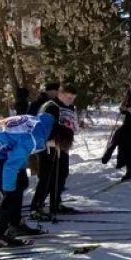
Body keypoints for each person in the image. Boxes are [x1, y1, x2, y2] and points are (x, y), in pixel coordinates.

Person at [0, 108, 75, 248]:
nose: (55, 148)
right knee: (11, 192)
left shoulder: (44, 125)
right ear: (56, 137)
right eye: (57, 145)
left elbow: (17, 149)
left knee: (21, 183)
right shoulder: (33, 138)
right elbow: (11, 166)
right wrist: (9, 189)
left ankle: (15, 224)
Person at [29, 84, 78, 220]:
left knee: (62, 173)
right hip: (48, 145)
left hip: (61, 145)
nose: (71, 100)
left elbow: (69, 125)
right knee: (47, 176)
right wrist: (52, 141)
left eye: (73, 98)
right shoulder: (51, 106)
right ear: (60, 94)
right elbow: (43, 126)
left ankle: (55, 202)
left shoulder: (69, 107)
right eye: (69, 97)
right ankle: (36, 207)